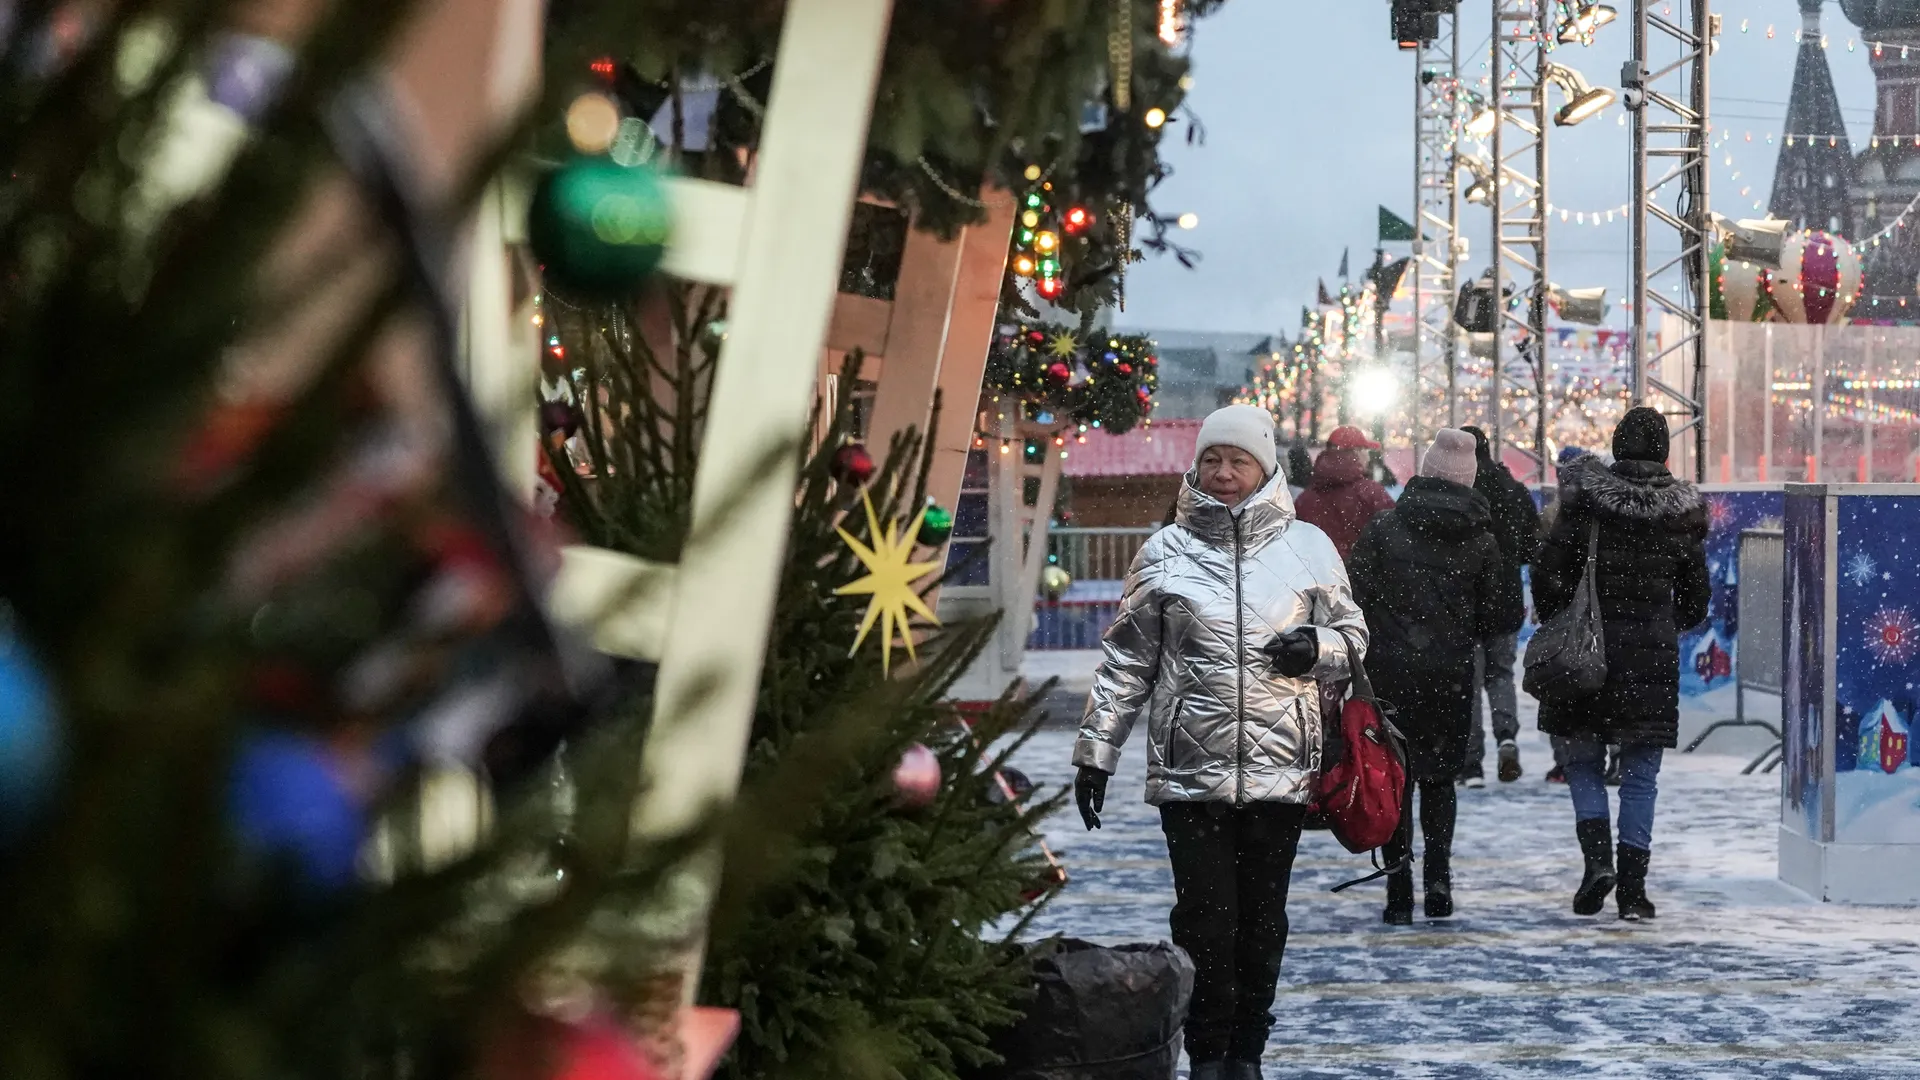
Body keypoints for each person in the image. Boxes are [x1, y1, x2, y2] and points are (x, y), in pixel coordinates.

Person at [1072, 404, 1367, 1080]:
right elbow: (1127, 664)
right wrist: (1096, 752)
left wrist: (1317, 647)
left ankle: (1247, 1054)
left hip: (1280, 769)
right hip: (1191, 773)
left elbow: (1354, 640)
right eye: (1213, 460)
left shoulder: (1308, 548)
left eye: (1237, 460)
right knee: (1204, 921)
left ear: (1265, 468)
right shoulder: (1164, 553)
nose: (1224, 473)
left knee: (1263, 922)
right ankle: (1208, 1054)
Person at [1532, 407, 1709, 921]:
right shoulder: (1682, 514)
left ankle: (1597, 864)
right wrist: (1660, 624)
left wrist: (1568, 620)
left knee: (1580, 760)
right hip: (1649, 661)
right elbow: (1697, 602)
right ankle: (1633, 891)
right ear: (1664, 453)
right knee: (1640, 776)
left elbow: (1548, 578)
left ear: (1615, 447)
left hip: (1587, 658)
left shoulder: (1585, 505)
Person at [1346, 429, 1503, 924]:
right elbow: (1502, 616)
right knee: (1439, 781)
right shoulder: (1481, 539)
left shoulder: (1384, 529)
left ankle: (1397, 889)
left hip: (1388, 672)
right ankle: (1439, 880)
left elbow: (1354, 594)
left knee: (1395, 778)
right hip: (1450, 675)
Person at [1454, 426, 1540, 787]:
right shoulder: (1513, 490)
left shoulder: (1459, 492)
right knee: (1501, 674)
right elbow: (1531, 547)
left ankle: (1471, 763)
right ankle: (1507, 737)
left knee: (1468, 683)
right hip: (1505, 598)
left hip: (1464, 600)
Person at [1293, 425, 1395, 562]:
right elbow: (1395, 537)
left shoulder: (1304, 499)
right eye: (1366, 451)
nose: (1369, 458)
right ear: (1356, 453)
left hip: (1316, 579)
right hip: (1363, 579)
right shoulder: (1372, 494)